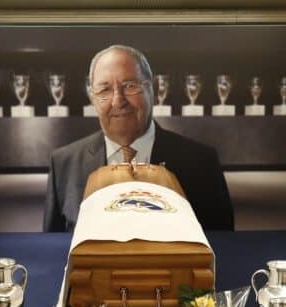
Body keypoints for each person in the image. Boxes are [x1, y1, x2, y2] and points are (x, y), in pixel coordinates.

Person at [43, 45, 234, 233]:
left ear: (155, 89)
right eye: (105, 90)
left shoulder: (201, 163)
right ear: (92, 97)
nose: (118, 101)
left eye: (129, 86)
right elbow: (50, 253)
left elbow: (222, 250)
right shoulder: (64, 165)